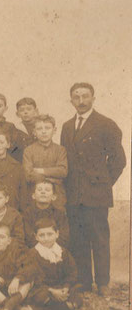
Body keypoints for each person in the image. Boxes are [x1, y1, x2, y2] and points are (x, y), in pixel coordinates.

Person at [61, 82, 126, 296]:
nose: (81, 100)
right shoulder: (67, 126)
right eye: (76, 97)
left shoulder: (105, 124)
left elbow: (118, 160)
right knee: (78, 239)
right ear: (71, 101)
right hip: (74, 194)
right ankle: (84, 282)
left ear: (93, 98)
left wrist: (102, 183)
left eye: (85, 96)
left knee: (98, 238)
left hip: (96, 194)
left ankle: (103, 282)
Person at [19, 218, 82, 310]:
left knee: (77, 299)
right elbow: (34, 278)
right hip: (43, 289)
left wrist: (66, 287)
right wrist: (52, 291)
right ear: (36, 237)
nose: (46, 238)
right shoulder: (33, 254)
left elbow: (72, 272)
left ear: (57, 234)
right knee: (41, 298)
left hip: (60, 286)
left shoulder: (63, 252)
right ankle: (62, 307)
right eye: (42, 235)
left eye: (50, 234)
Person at [23, 114, 68, 209]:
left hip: (57, 196)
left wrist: (41, 171)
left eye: (47, 128)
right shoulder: (29, 150)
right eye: (39, 129)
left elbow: (63, 171)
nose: (43, 132)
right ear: (34, 132)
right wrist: (54, 178)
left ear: (54, 130)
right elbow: (29, 175)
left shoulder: (60, 150)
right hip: (35, 196)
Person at [23, 181, 70, 249]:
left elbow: (64, 236)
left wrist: (52, 248)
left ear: (54, 196)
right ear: (33, 195)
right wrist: (42, 249)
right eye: (39, 190)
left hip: (56, 249)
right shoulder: (27, 213)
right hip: (34, 250)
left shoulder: (59, 213)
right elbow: (28, 237)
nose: (43, 192)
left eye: (47, 190)